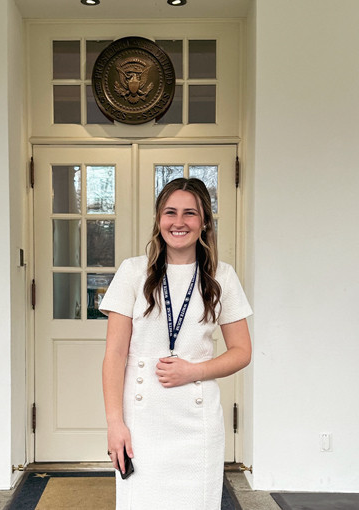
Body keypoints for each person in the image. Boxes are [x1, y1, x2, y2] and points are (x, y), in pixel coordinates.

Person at [100, 177, 252, 510]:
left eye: (190, 214)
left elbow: (242, 352)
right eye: (170, 212)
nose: (179, 222)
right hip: (140, 421)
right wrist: (115, 423)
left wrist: (193, 371)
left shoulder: (221, 276)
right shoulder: (132, 272)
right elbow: (114, 354)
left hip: (196, 423)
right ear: (158, 220)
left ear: (204, 222)